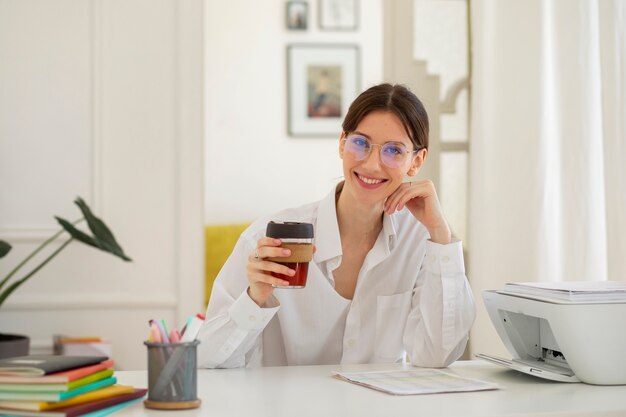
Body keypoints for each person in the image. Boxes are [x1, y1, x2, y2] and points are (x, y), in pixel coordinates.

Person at [197, 83, 475, 368]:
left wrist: (441, 234)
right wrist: (254, 298)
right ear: (342, 143)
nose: (372, 164)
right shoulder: (265, 242)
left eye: (393, 151)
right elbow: (207, 362)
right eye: (361, 143)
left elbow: (438, 355)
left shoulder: (419, 241)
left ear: (416, 161)